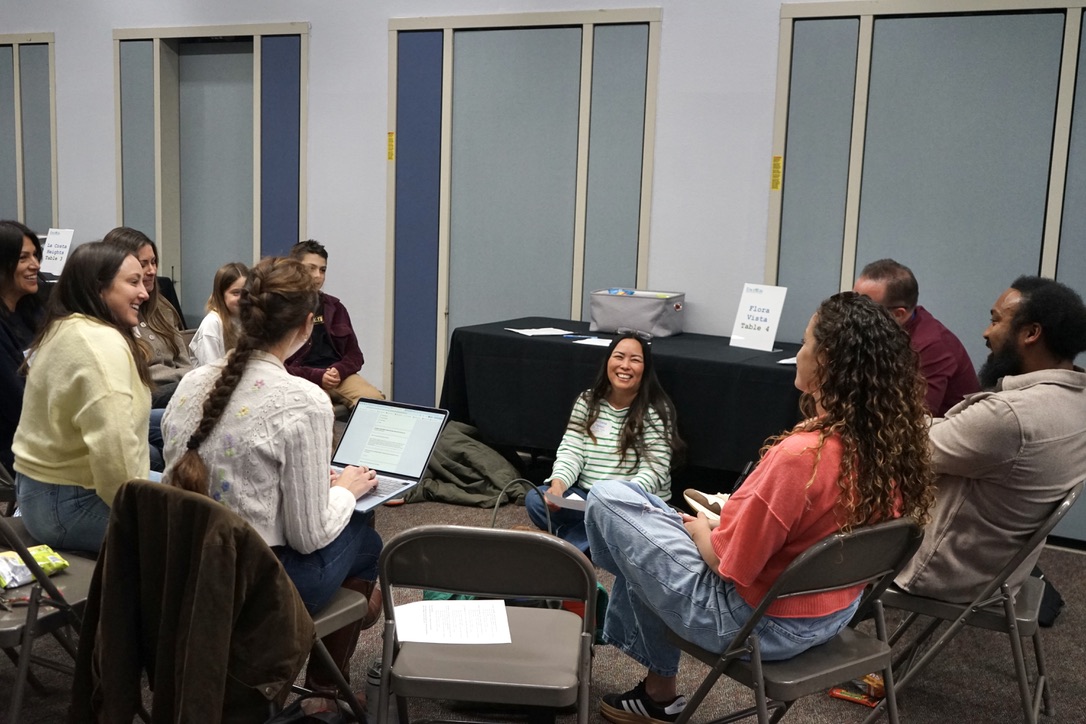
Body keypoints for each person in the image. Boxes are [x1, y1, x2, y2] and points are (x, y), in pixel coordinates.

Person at [586, 292, 935, 724]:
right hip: (832, 612)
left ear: (827, 361)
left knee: (609, 500)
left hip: (754, 625)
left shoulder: (800, 457)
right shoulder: (889, 446)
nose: (798, 353)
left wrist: (699, 531)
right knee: (642, 522)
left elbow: (728, 564)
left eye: (805, 343)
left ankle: (657, 692)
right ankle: (657, 693)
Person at [162, 256, 383, 708]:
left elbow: (226, 457)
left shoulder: (191, 383)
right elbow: (309, 537)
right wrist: (345, 489)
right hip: (258, 584)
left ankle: (324, 667)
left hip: (186, 568)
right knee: (366, 539)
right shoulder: (305, 401)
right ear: (307, 326)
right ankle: (325, 691)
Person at [896, 276, 1086, 603]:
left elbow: (908, 448)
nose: (986, 332)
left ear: (1031, 333)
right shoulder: (1075, 397)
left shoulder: (1010, 417)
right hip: (1004, 570)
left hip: (942, 570)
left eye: (995, 320)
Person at [12, 241, 152, 553]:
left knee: (195, 495)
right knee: (201, 532)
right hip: (67, 503)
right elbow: (114, 453)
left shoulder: (70, 326)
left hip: (48, 491)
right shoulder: (98, 345)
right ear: (98, 288)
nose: (144, 292)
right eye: (133, 282)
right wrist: (144, 516)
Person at [524, 332, 683, 554]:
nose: (625, 365)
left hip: (631, 503)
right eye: (619, 357)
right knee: (535, 499)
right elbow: (572, 451)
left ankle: (571, 546)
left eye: (635, 360)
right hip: (587, 498)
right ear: (608, 361)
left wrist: (613, 500)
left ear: (645, 369)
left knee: (632, 522)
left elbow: (654, 472)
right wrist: (558, 485)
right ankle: (601, 545)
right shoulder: (588, 400)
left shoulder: (656, 409)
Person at [854, 258, 979, 416]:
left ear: (898, 314)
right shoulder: (884, 329)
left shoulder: (931, 345)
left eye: (864, 308)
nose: (852, 313)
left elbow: (915, 420)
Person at [285, 239, 384, 406]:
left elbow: (355, 356)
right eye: (311, 268)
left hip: (336, 376)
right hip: (298, 379)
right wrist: (317, 376)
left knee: (373, 403)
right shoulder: (280, 308)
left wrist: (339, 370)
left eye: (322, 270)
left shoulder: (335, 308)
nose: (318, 275)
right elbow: (275, 364)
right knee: (318, 408)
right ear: (295, 269)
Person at [103, 226, 193, 407]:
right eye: (143, 264)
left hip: (179, 388)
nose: (151, 270)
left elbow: (185, 363)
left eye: (153, 262)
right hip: (144, 396)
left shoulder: (162, 307)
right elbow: (133, 379)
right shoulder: (112, 314)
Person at [0, 221, 49, 474]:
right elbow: (18, 404)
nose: (36, 265)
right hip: (19, 442)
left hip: (50, 422)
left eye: (35, 256)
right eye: (23, 258)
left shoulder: (32, 310)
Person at [189, 261, 248, 367]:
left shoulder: (248, 320)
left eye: (246, 292)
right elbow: (211, 371)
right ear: (221, 295)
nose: (242, 298)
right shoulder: (212, 324)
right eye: (235, 293)